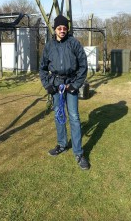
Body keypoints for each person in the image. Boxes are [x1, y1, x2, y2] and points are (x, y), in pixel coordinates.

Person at [39, 15, 90, 170]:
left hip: (70, 85)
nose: (62, 31)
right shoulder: (49, 46)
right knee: (59, 116)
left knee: (74, 116)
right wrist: (47, 85)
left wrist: (75, 85)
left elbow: (83, 66)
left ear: (67, 29)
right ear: (55, 29)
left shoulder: (74, 43)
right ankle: (62, 144)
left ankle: (79, 153)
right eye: (59, 28)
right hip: (56, 86)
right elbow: (42, 68)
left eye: (64, 28)